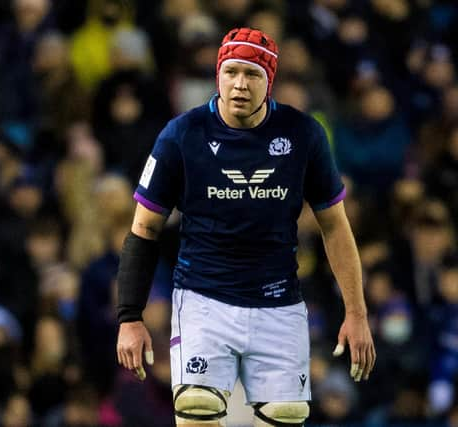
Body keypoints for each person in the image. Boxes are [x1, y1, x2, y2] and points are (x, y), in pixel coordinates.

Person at [115, 27, 376, 427]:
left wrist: (356, 313)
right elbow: (144, 229)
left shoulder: (303, 135)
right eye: (231, 71)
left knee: (286, 415)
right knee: (196, 408)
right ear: (217, 74)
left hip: (279, 304)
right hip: (204, 300)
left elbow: (336, 228)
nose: (240, 84)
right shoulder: (181, 135)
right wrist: (130, 316)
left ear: (269, 81)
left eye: (253, 74)